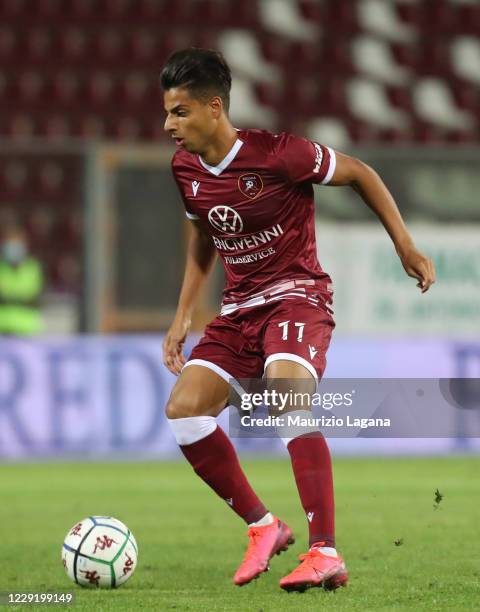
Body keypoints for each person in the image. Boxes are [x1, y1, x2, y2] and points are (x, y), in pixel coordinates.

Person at [160, 48, 435, 592]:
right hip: (238, 309)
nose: (169, 125)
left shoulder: (276, 154)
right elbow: (202, 236)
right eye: (167, 112)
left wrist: (404, 245)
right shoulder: (185, 168)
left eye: (180, 112)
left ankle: (325, 550)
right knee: (184, 412)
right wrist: (182, 315)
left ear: (215, 107)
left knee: (288, 398)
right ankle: (264, 527)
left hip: (296, 296)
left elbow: (360, 172)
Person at [0, 224, 44, 335]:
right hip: (2, 328)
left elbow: (35, 296)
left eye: (16, 244)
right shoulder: (2, 268)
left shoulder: (33, 268)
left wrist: (9, 296)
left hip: (27, 328)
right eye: (9, 244)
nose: (13, 248)